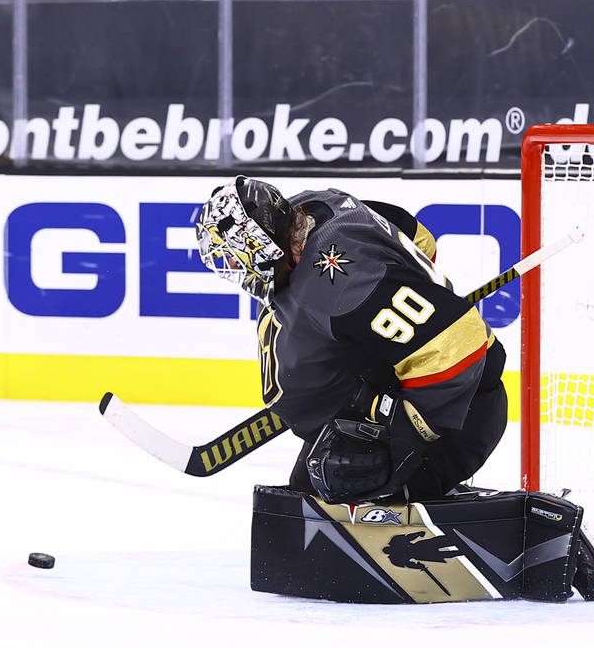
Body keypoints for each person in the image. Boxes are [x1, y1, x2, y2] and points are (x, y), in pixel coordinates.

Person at [196, 177, 506, 505]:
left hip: (458, 414)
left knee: (345, 482)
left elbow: (459, 342)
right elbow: (419, 239)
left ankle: (418, 495)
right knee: (311, 488)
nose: (235, 267)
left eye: (240, 256)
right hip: (379, 395)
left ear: (267, 244)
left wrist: (406, 434)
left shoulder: (337, 286)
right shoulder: (318, 205)